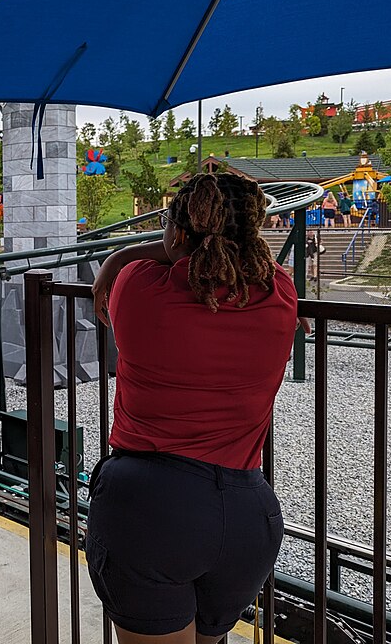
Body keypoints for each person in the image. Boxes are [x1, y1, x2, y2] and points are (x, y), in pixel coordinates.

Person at [89, 173, 299, 644]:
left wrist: (118, 255)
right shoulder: (279, 293)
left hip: (149, 507)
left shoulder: (138, 286)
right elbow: (226, 258)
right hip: (247, 515)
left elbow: (147, 261)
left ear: (177, 233)